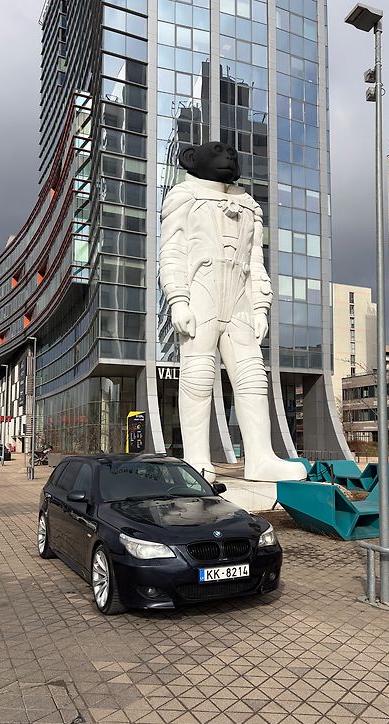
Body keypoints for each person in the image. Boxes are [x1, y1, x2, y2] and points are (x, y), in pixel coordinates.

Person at [159, 141, 306, 483]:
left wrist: (260, 307)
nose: (228, 156)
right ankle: (197, 459)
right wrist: (178, 299)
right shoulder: (184, 196)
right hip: (201, 294)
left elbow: (256, 262)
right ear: (192, 159)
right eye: (218, 151)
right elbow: (172, 251)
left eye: (231, 153)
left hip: (239, 300)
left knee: (252, 376)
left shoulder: (249, 205)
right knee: (198, 373)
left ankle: (261, 458)